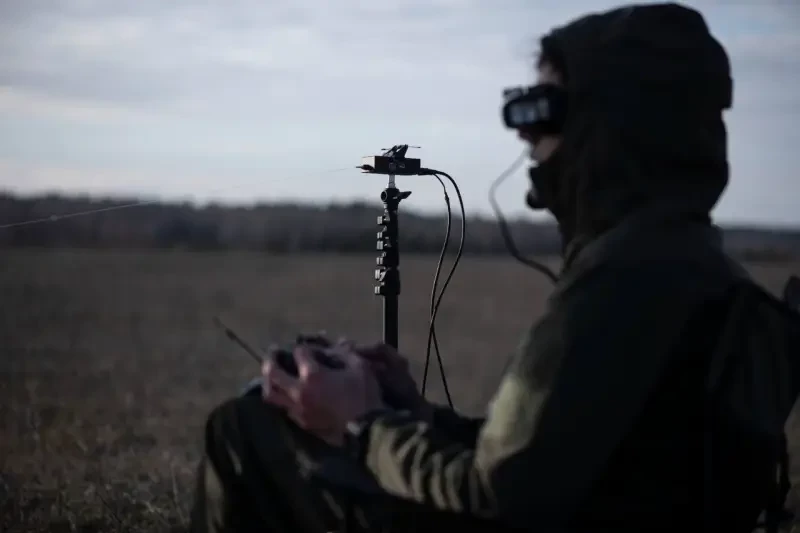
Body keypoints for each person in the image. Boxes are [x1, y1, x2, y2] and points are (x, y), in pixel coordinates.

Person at [188, 3, 756, 532]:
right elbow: (549, 460)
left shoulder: (619, 284)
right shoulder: (697, 265)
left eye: (547, 110)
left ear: (612, 128)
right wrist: (419, 414)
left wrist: (361, 424)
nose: (525, 135)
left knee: (244, 426)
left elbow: (493, 492)